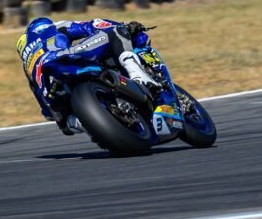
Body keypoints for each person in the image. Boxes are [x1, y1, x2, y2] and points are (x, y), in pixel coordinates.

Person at [16, 17, 160, 135]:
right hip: (63, 56)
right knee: (115, 32)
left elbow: (48, 113)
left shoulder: (27, 67)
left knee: (65, 123)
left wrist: (61, 119)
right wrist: (124, 26)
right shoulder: (53, 27)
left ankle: (89, 127)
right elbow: (91, 25)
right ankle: (138, 76)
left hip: (53, 94)